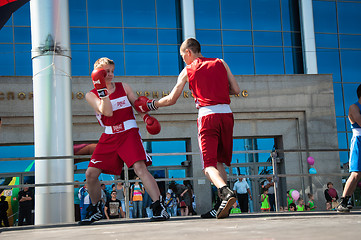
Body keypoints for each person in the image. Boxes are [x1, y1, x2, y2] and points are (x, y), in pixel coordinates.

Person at [133, 38, 240, 219]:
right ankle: (222, 206)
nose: (183, 60)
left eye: (183, 56)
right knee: (219, 162)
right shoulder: (221, 62)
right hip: (227, 115)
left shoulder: (188, 70)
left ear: (188, 52)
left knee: (208, 166)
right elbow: (236, 90)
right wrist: (217, 90)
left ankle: (226, 193)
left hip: (208, 116)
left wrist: (150, 105)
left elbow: (171, 99)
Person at [79, 57, 169, 225]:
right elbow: (107, 112)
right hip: (109, 135)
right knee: (90, 174)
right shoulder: (91, 95)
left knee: (140, 168)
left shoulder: (124, 87)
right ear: (97, 73)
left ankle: (159, 207)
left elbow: (137, 104)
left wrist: (146, 117)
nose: (111, 74)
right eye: (107, 71)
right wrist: (101, 90)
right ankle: (96, 208)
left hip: (129, 132)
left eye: (112, 71)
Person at [337, 84, 361, 212]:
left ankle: (348, 199)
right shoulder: (354, 107)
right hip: (358, 141)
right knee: (356, 173)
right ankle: (343, 201)